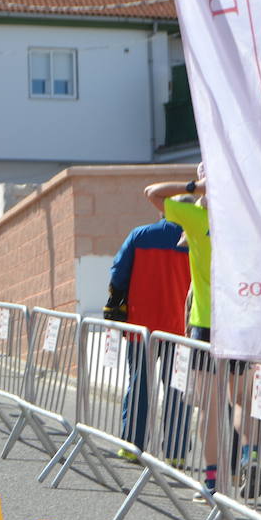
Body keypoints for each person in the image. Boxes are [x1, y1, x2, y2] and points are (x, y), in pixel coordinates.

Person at [145, 164, 256, 500]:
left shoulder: (196, 219)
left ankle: (212, 480)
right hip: (244, 320)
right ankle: (247, 461)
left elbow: (153, 192)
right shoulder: (249, 219)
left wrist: (196, 186)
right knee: (242, 399)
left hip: (207, 322)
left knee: (210, 404)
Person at [105, 188, 191, 461]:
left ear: (163, 211)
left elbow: (118, 275)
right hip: (181, 328)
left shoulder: (140, 235)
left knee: (139, 384)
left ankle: (131, 445)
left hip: (140, 325)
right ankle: (176, 454)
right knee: (177, 389)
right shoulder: (198, 241)